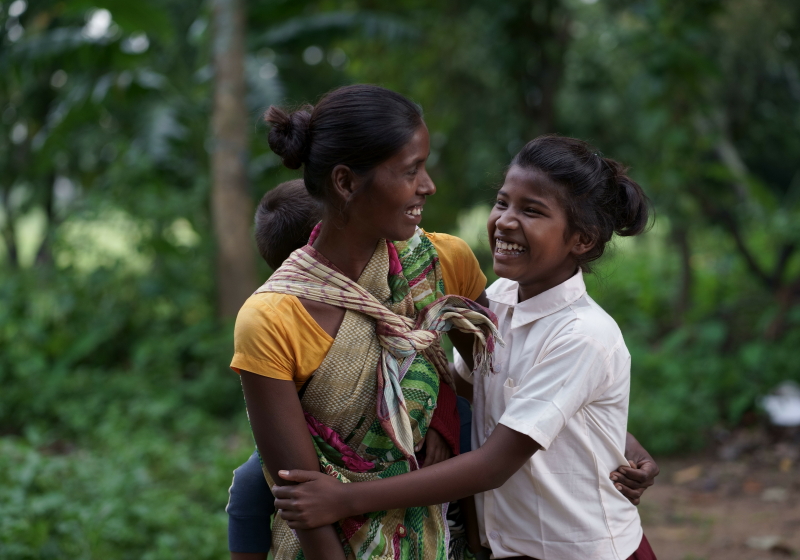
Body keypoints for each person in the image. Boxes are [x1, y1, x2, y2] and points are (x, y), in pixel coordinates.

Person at [272, 135, 660, 560]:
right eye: (503, 203)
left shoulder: (583, 334)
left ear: (581, 240)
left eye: (532, 211)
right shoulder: (498, 301)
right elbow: (488, 389)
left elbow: (494, 465)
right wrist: (615, 433)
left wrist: (347, 499)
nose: (506, 221)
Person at [230, 85, 500, 560]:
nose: (428, 185)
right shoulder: (272, 320)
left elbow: (510, 386)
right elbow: (304, 503)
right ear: (345, 182)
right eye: (411, 170)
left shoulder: (441, 263)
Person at [228, 178, 465, 558]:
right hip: (318, 443)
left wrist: (444, 418)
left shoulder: (419, 267)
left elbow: (440, 359)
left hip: (424, 420)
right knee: (252, 482)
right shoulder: (280, 315)